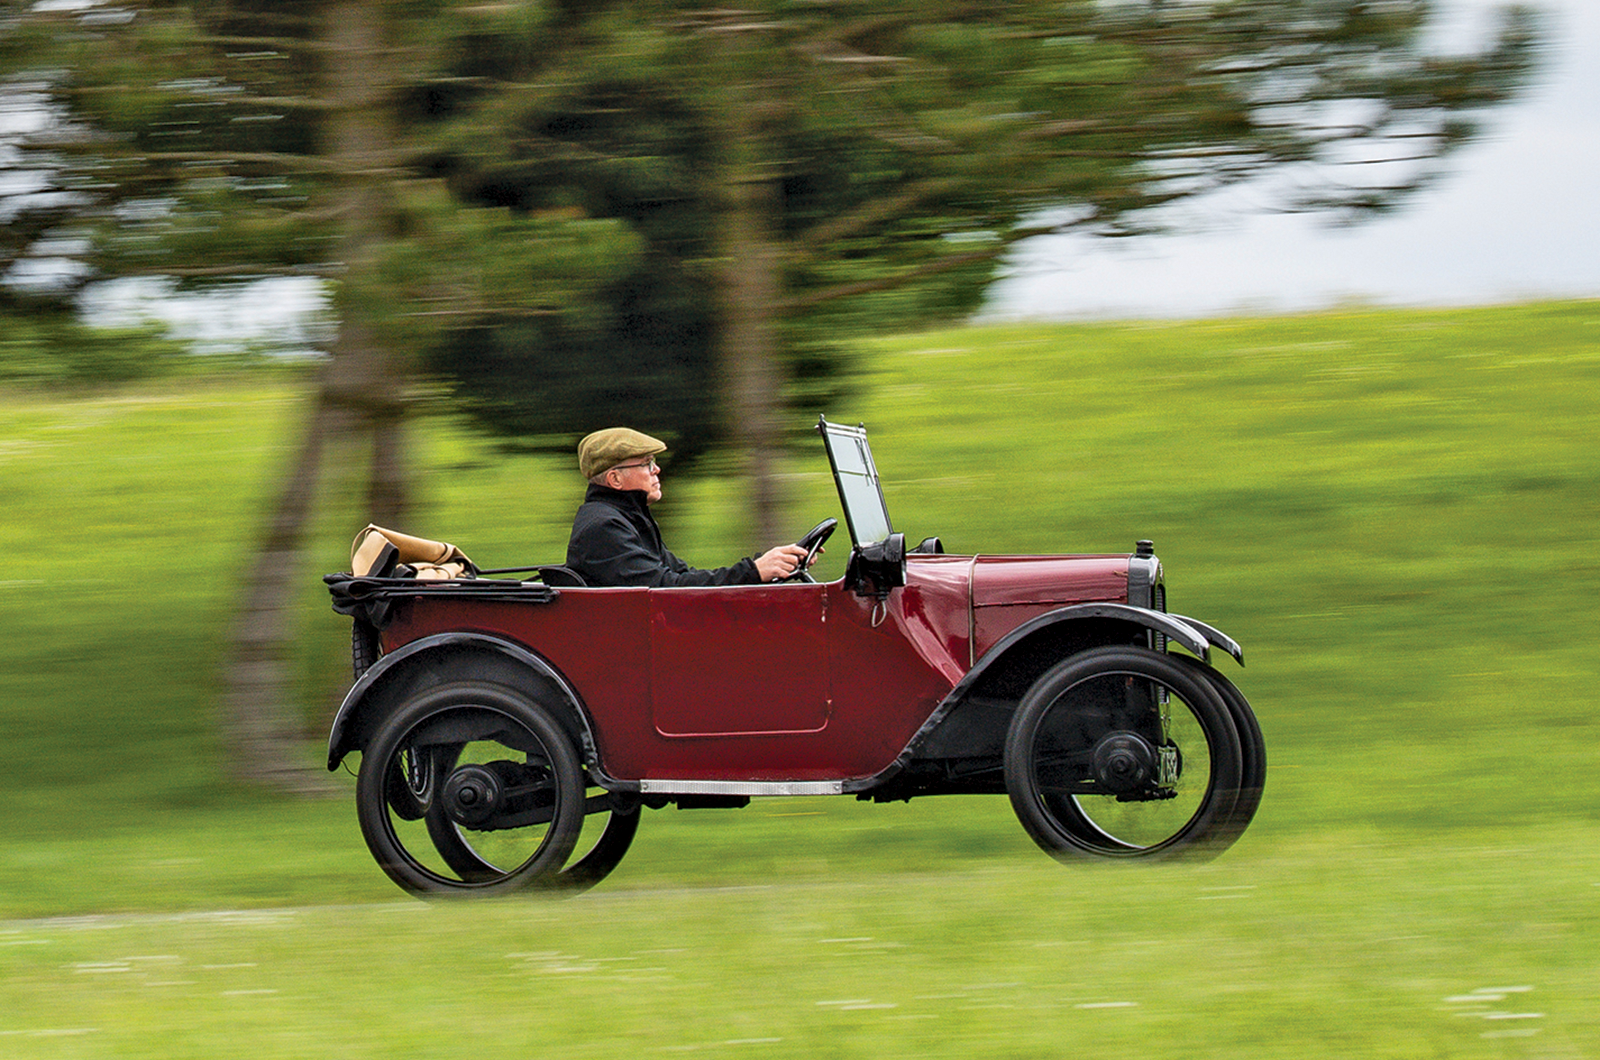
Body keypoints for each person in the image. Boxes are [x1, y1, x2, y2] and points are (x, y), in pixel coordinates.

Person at [565, 427, 813, 587]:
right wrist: (753, 572)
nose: (657, 470)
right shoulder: (603, 527)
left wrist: (766, 567)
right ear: (615, 480)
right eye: (646, 464)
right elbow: (664, 588)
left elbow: (683, 575)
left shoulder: (628, 519)